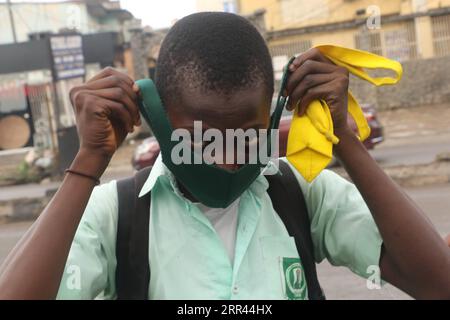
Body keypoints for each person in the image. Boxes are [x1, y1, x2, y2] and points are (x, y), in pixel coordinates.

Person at [0, 12, 449, 300]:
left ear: (276, 113)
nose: (229, 161)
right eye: (203, 140)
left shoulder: (304, 194)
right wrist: (87, 165)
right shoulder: (114, 216)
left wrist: (346, 142)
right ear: (157, 116)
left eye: (249, 136)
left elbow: (436, 282)